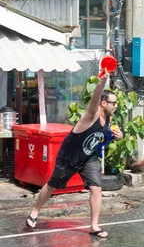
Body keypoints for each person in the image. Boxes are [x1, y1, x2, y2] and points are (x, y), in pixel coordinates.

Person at [25, 68, 123, 238]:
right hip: (68, 157)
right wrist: (102, 81)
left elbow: (98, 138)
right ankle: (35, 210)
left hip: (88, 158)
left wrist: (116, 138)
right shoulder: (91, 115)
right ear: (103, 103)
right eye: (113, 103)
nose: (116, 106)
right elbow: (94, 98)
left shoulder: (107, 118)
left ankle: (94, 226)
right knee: (52, 186)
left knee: (96, 188)